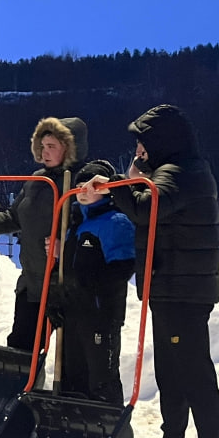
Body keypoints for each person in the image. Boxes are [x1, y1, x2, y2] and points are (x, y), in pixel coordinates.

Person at [106, 105, 219, 438]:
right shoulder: (177, 170)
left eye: (143, 144)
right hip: (173, 287)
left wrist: (118, 184)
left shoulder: (180, 171)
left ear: (163, 142)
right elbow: (150, 200)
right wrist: (133, 180)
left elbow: (146, 208)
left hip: (183, 292)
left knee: (194, 377)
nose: (138, 151)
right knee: (172, 375)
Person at [0, 116, 87, 351]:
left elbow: (91, 228)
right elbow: (13, 217)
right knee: (21, 346)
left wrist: (66, 246)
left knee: (72, 354)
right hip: (32, 282)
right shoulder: (36, 181)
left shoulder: (83, 182)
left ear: (70, 148)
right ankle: (28, 377)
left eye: (52, 146)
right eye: (42, 146)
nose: (45, 152)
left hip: (67, 283)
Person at [46, 160, 135, 404]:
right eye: (79, 186)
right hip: (73, 312)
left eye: (91, 185)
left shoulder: (116, 221)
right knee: (72, 374)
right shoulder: (75, 225)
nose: (83, 190)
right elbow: (64, 269)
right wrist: (57, 296)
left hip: (100, 314)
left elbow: (122, 268)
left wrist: (86, 288)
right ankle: (72, 419)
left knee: (101, 378)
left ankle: (109, 420)